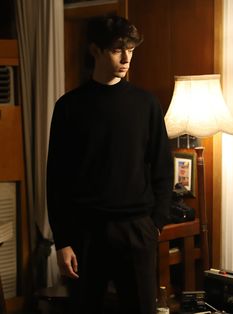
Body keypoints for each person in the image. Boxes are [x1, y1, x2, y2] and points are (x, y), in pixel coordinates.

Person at [47, 14, 173, 314]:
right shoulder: (68, 107)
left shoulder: (146, 104)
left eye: (131, 48)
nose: (127, 57)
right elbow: (56, 180)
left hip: (136, 229)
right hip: (85, 233)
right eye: (117, 49)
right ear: (95, 50)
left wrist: (155, 223)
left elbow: (162, 168)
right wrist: (62, 240)